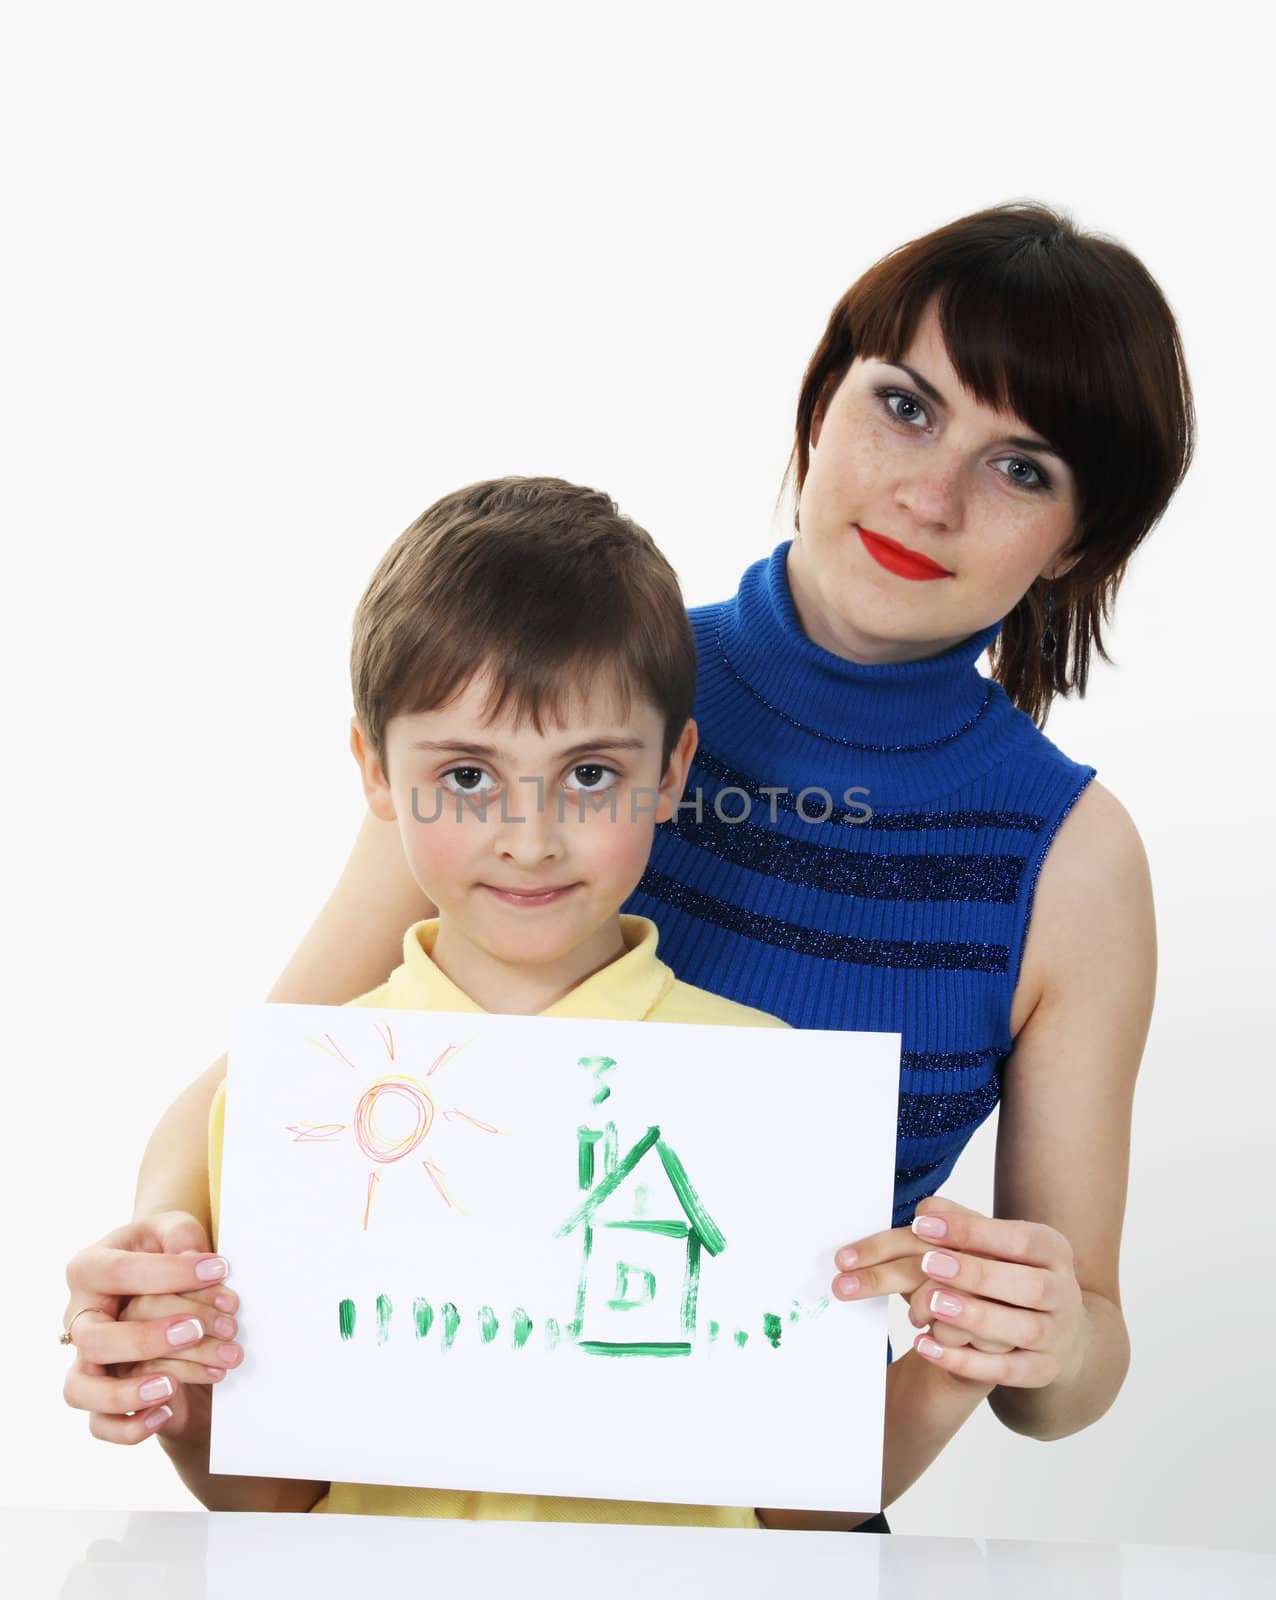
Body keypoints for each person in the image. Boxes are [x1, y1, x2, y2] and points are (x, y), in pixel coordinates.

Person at [61, 200, 1194, 1528]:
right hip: (410, 1478)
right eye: (905, 406)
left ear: (1079, 541)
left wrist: (1046, 1342)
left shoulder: (1073, 857)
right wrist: (156, 1266)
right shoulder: (560, 687)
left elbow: (1072, 1360)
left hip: (744, 1509)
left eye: (1024, 467)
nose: (928, 492)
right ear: (821, 401)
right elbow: (284, 1073)